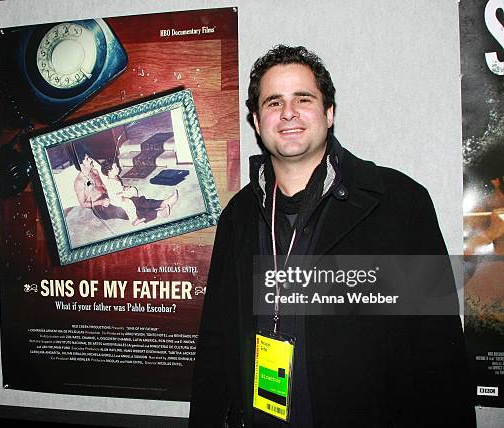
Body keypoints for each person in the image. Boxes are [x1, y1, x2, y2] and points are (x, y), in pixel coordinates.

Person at [189, 45, 475, 427]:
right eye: (273, 103)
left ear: (329, 113)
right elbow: (216, 342)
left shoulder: (398, 203)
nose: (288, 112)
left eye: (302, 99)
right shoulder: (238, 217)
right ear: (257, 122)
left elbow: (439, 352)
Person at [74, 154, 179, 224]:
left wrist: (121, 189)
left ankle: (163, 203)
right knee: (126, 209)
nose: (91, 160)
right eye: (87, 159)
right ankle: (158, 213)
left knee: (134, 200)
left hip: (110, 195)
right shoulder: (79, 182)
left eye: (89, 157)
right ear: (80, 164)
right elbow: (83, 204)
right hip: (100, 207)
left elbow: (106, 185)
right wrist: (101, 201)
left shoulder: (95, 171)